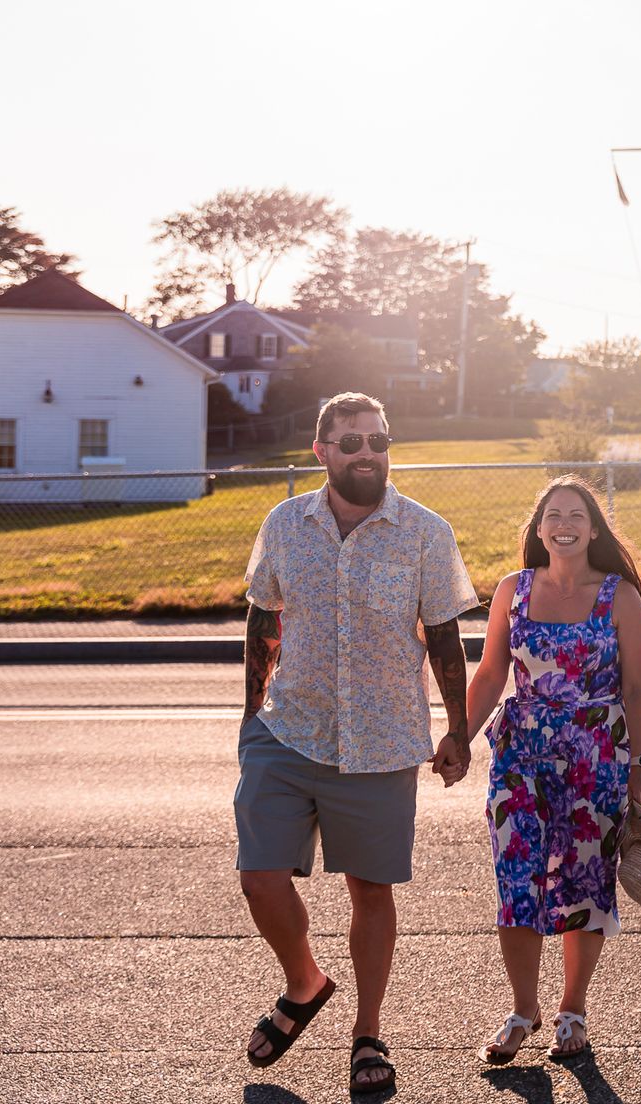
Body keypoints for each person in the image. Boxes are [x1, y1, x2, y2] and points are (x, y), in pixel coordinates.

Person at [234, 392, 481, 1096]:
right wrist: (250, 714)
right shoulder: (284, 523)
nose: (367, 451)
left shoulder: (426, 531)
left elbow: (443, 635)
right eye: (351, 442)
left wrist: (456, 730)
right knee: (260, 878)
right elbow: (263, 620)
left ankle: (367, 1031)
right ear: (322, 452)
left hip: (381, 741)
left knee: (370, 889)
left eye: (378, 439)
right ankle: (304, 981)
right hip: (288, 729)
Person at [464, 473, 641, 1063]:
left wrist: (640, 767)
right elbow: (492, 675)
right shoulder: (512, 591)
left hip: (596, 758)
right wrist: (456, 740)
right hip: (520, 756)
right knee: (515, 881)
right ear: (539, 528)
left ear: (593, 529)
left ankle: (572, 1014)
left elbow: (637, 689)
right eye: (554, 515)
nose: (565, 525)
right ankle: (523, 1011)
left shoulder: (620, 597)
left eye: (576, 516)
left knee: (583, 883)